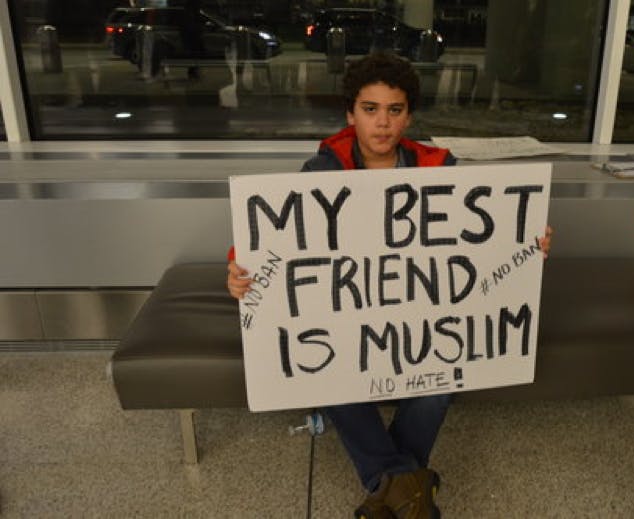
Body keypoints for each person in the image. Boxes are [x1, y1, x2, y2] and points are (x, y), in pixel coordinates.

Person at [227, 53, 552, 518]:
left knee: (442, 378)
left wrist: (526, 243)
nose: (382, 123)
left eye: (394, 110)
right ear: (350, 114)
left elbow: (488, 238)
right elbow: (274, 241)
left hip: (421, 321)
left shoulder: (441, 171)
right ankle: (409, 488)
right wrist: (239, 270)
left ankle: (389, 488)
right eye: (370, 109)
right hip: (346, 321)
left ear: (409, 116)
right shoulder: (320, 172)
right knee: (327, 369)